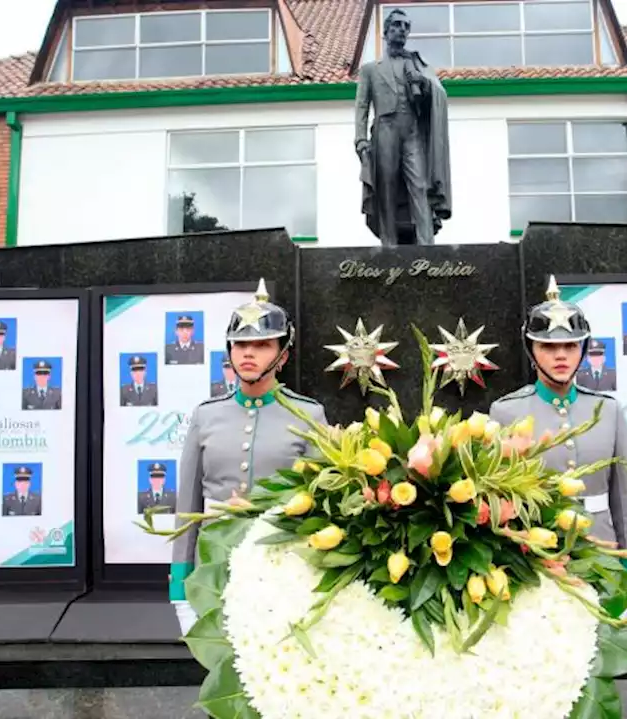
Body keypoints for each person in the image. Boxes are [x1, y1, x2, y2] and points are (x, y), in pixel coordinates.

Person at [171, 279, 327, 633]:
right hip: (215, 568)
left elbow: (321, 504)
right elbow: (188, 504)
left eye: (261, 344)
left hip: (284, 568)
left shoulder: (308, 416)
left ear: (283, 355)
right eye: (240, 345)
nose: (248, 353)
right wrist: (180, 584)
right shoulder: (206, 415)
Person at [489, 276, 627, 550]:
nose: (561, 356)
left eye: (571, 346)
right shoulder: (506, 412)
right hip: (538, 551)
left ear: (583, 350)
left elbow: (625, 498)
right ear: (531, 351)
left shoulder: (607, 410)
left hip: (601, 545)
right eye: (548, 346)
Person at [353, 8, 452, 246]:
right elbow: (362, 106)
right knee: (386, 185)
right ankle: (389, 242)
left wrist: (425, 86)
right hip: (385, 129)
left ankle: (427, 243)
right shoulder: (370, 69)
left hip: (412, 131)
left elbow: (438, 93)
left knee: (419, 184)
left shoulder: (418, 65)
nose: (402, 30)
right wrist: (360, 138)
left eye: (406, 27)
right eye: (397, 25)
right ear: (386, 31)